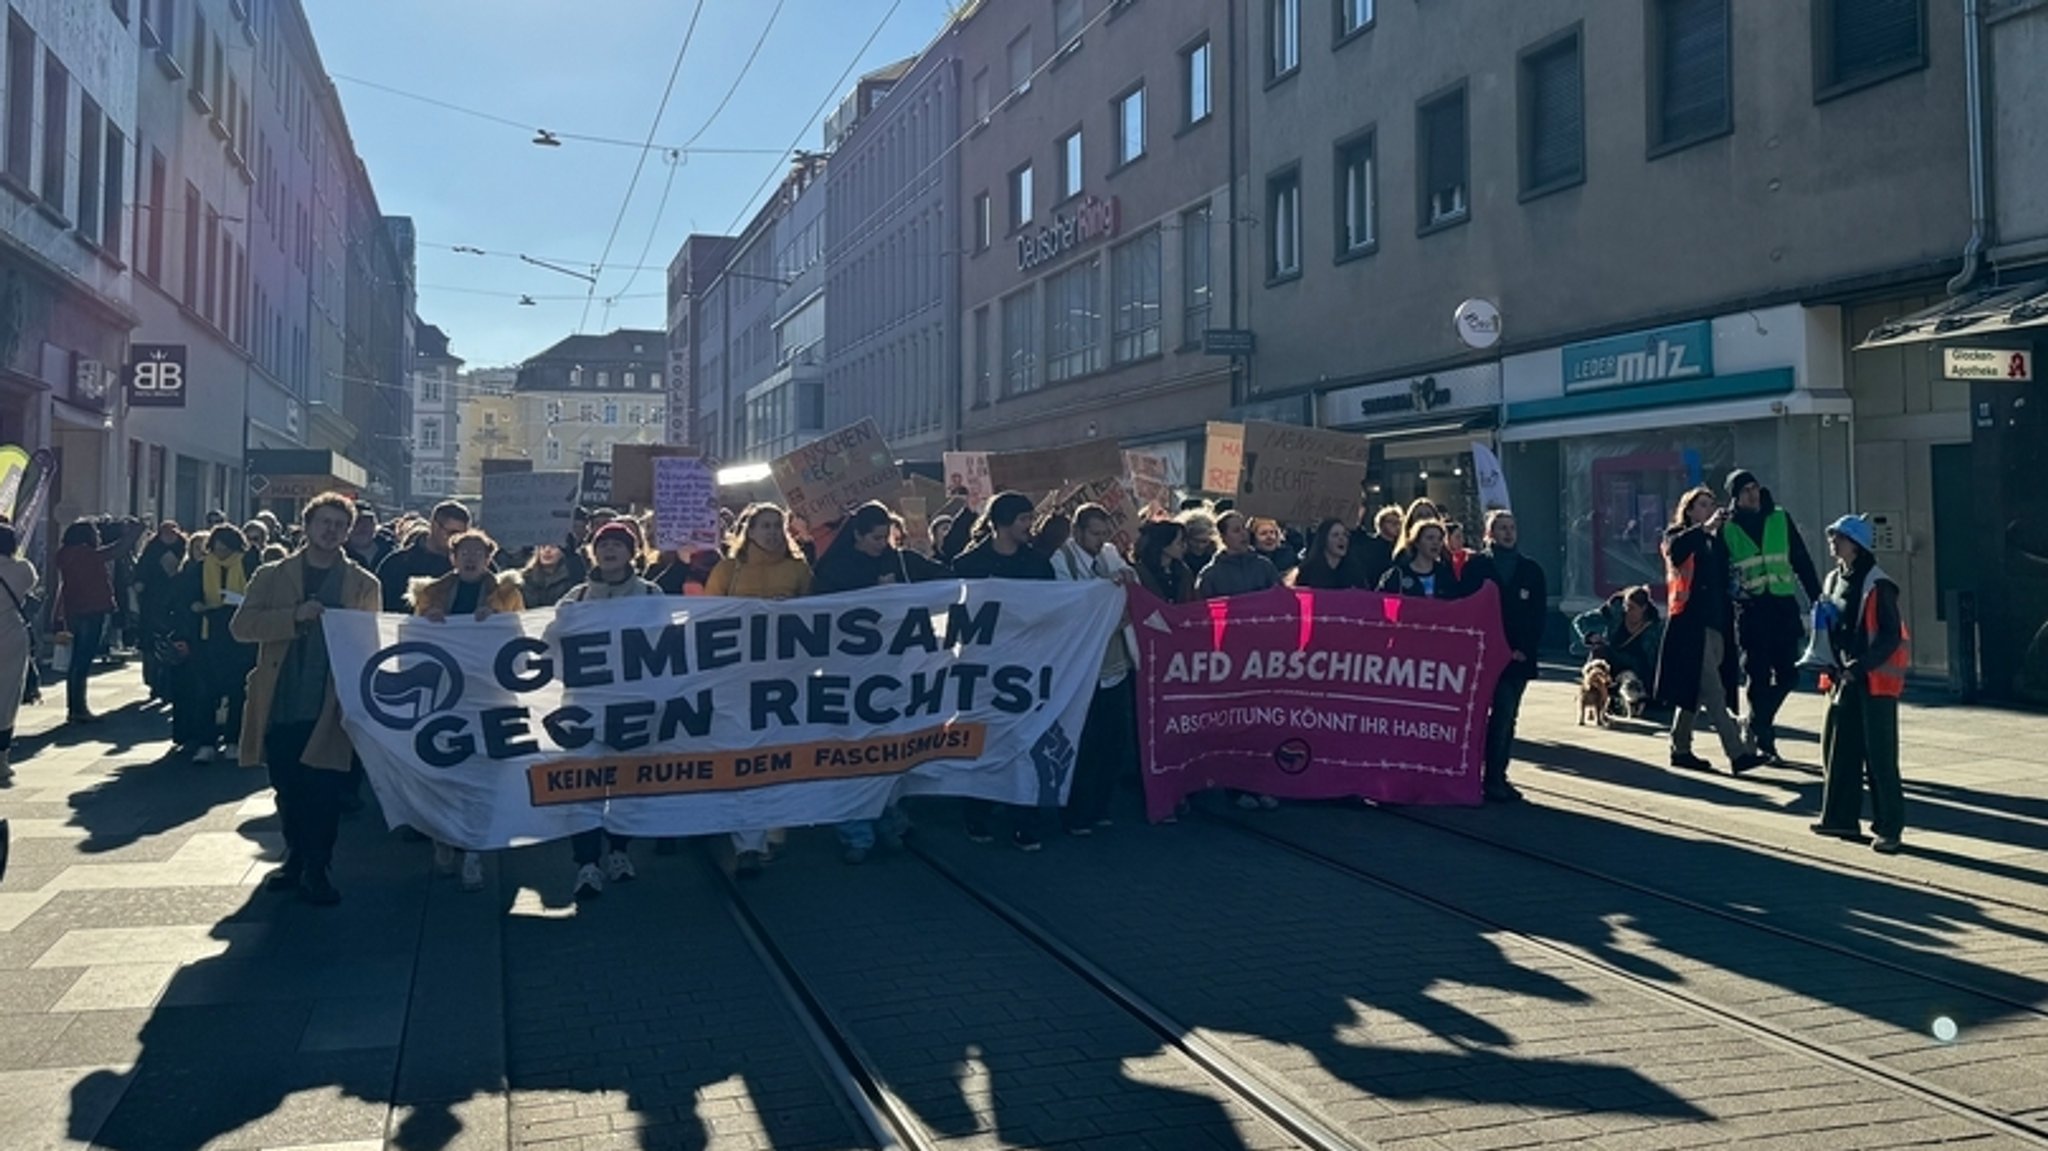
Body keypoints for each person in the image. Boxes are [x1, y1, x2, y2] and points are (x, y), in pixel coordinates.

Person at [230, 492, 382, 905]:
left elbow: (371, 645)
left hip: (331, 703)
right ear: (307, 525)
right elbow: (241, 626)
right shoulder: (271, 574)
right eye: (325, 522)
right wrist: (292, 618)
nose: (331, 531)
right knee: (287, 787)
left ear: (348, 533)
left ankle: (318, 867)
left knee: (325, 790)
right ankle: (296, 855)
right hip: (281, 697)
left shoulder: (364, 584)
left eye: (339, 525)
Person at [410, 529, 522, 892]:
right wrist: (428, 621)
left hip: (490, 696)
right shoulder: (431, 595)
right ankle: (444, 837)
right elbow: (412, 643)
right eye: (464, 552)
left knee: (483, 775)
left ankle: (474, 849)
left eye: (478, 552)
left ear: (489, 558)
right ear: (452, 558)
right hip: (445, 698)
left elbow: (521, 637)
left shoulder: (506, 593)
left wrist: (499, 618)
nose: (471, 558)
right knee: (445, 772)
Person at [703, 505, 813, 873]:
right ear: (747, 531)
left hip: (786, 677)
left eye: (776, 526)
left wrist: (793, 609)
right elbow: (707, 619)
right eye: (763, 526)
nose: (770, 533)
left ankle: (776, 831)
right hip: (738, 677)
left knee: (780, 752)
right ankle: (747, 842)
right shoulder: (727, 570)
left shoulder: (798, 570)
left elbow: (820, 615)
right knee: (743, 754)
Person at [557, 521, 660, 899]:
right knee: (583, 787)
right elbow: (552, 645)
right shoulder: (576, 598)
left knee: (627, 787)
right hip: (584, 710)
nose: (610, 551)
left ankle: (618, 851)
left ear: (633, 552)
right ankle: (586, 862)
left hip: (631, 709)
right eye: (604, 545)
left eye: (619, 544)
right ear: (592, 553)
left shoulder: (651, 594)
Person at [953, 492, 1058, 850]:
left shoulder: (1038, 565)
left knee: (1024, 744)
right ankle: (977, 813)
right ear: (1002, 523)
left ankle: (1023, 820)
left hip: (1025, 669)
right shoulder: (967, 565)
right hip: (981, 672)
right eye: (1024, 519)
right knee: (981, 743)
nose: (1031, 526)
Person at [1810, 514, 1909, 854]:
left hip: (1874, 681)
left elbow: (1890, 635)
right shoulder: (1834, 579)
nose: (1833, 542)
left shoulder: (1878, 585)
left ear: (1857, 544)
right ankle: (1840, 818)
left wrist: (1861, 665)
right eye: (1832, 536)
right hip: (1843, 677)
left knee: (1880, 757)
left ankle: (1889, 829)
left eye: (1839, 537)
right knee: (1839, 749)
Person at [1655, 486, 1764, 774]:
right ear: (1689, 510)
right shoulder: (1678, 535)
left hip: (1717, 624)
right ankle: (1738, 754)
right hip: (1691, 625)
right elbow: (1675, 553)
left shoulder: (1714, 542)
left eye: (1711, 504)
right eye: (1702, 505)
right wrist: (1703, 528)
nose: (1709, 509)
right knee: (1714, 692)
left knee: (1698, 689)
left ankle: (1680, 747)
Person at [1722, 469, 1824, 766]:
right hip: (1751, 611)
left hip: (1782, 608)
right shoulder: (1727, 528)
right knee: (1757, 677)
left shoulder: (1779, 517)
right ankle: (1765, 740)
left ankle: (1756, 722)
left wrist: (1817, 597)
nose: (1752, 494)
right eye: (1745, 491)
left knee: (1790, 675)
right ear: (1736, 498)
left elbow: (1800, 559)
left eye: (1755, 487)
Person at [1053, 505, 1138, 834]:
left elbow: (1129, 577)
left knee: (1113, 741)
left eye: (1105, 533)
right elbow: (1071, 601)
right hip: (1082, 668)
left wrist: (1126, 577)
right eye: (1095, 534)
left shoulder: (1109, 553)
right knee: (1084, 744)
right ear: (1078, 532)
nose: (1101, 540)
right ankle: (1076, 811)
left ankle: (1100, 805)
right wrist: (1106, 590)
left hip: (1113, 664)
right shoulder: (1062, 560)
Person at [1475, 511, 1545, 804]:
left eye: (1512, 528)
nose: (1508, 533)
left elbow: (1536, 616)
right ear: (1489, 534)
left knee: (1507, 717)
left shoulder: (1531, 570)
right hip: (1483, 656)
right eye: (1501, 528)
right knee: (1487, 716)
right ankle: (1483, 776)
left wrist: (1523, 649)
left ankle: (1497, 776)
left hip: (1518, 658)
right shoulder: (1478, 567)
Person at [185, 526, 259, 763]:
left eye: (225, 544)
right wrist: (196, 605)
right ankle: (206, 742)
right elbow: (187, 596)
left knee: (238, 691)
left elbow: (258, 597)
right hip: (209, 636)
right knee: (206, 691)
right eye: (217, 544)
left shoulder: (249, 565)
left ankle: (233, 741)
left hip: (240, 637)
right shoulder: (200, 568)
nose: (221, 549)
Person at [53, 519, 131, 724]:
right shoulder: (85, 554)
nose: (97, 536)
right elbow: (116, 551)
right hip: (91, 609)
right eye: (95, 533)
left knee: (77, 660)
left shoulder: (65, 555)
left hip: (74, 609)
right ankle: (78, 708)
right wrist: (134, 531)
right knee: (82, 660)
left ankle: (75, 707)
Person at [375, 500, 471, 613]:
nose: (456, 539)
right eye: (452, 533)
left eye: (463, 535)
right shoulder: (396, 564)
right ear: (434, 526)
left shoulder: (474, 565)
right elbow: (381, 607)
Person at [1573, 586, 1665, 697]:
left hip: (1636, 667)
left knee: (1635, 684)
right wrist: (1591, 635)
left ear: (1644, 608)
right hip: (1611, 660)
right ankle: (1594, 691)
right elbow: (1581, 621)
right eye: (1626, 606)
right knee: (1599, 651)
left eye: (1632, 608)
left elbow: (1655, 658)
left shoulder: (1654, 627)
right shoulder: (1614, 611)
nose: (1628, 611)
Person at [0, 525, 38, 779]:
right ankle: (1, 759)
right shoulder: (22, 569)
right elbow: (31, 586)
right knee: (7, 696)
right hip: (10, 635)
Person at [135, 520, 186, 700]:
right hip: (153, 602)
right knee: (150, 645)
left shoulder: (184, 548)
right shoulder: (152, 550)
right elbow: (141, 570)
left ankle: (168, 684)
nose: (169, 537)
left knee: (172, 643)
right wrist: (139, 584)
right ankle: (153, 683)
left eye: (172, 533)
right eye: (166, 533)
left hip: (176, 602)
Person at [1195, 511, 1281, 599]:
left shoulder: (1264, 566)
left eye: (1244, 528)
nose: (1243, 534)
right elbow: (1202, 607)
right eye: (1236, 531)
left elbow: (1280, 597)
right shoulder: (1210, 574)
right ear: (1223, 537)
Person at [1376, 519, 1464, 599]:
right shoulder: (1398, 575)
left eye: (1440, 539)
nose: (1435, 543)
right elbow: (1382, 604)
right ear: (1416, 542)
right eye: (1430, 538)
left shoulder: (1445, 575)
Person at [1132, 520, 1197, 604]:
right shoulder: (1139, 573)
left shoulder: (1184, 572)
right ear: (1164, 545)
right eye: (1179, 543)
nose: (1184, 546)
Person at [1289, 519, 1365, 589]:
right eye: (1335, 535)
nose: (1342, 538)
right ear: (1324, 540)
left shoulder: (1354, 572)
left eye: (1345, 535)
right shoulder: (1307, 571)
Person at [518, 543, 585, 609]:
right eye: (543, 546)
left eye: (553, 546)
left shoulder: (572, 576)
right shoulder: (525, 578)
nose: (547, 550)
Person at [1354, 505, 1404, 590]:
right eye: (1390, 521)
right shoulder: (1368, 543)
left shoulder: (1401, 549)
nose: (1395, 525)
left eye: (1398, 522)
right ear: (1380, 523)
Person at [346, 508, 392, 573]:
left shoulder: (390, 551)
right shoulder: (337, 555)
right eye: (358, 522)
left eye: (368, 522)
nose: (362, 527)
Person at [1178, 508, 1220, 575]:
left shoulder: (1216, 558)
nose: (1200, 546)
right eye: (1195, 541)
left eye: (1204, 541)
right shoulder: (1178, 558)